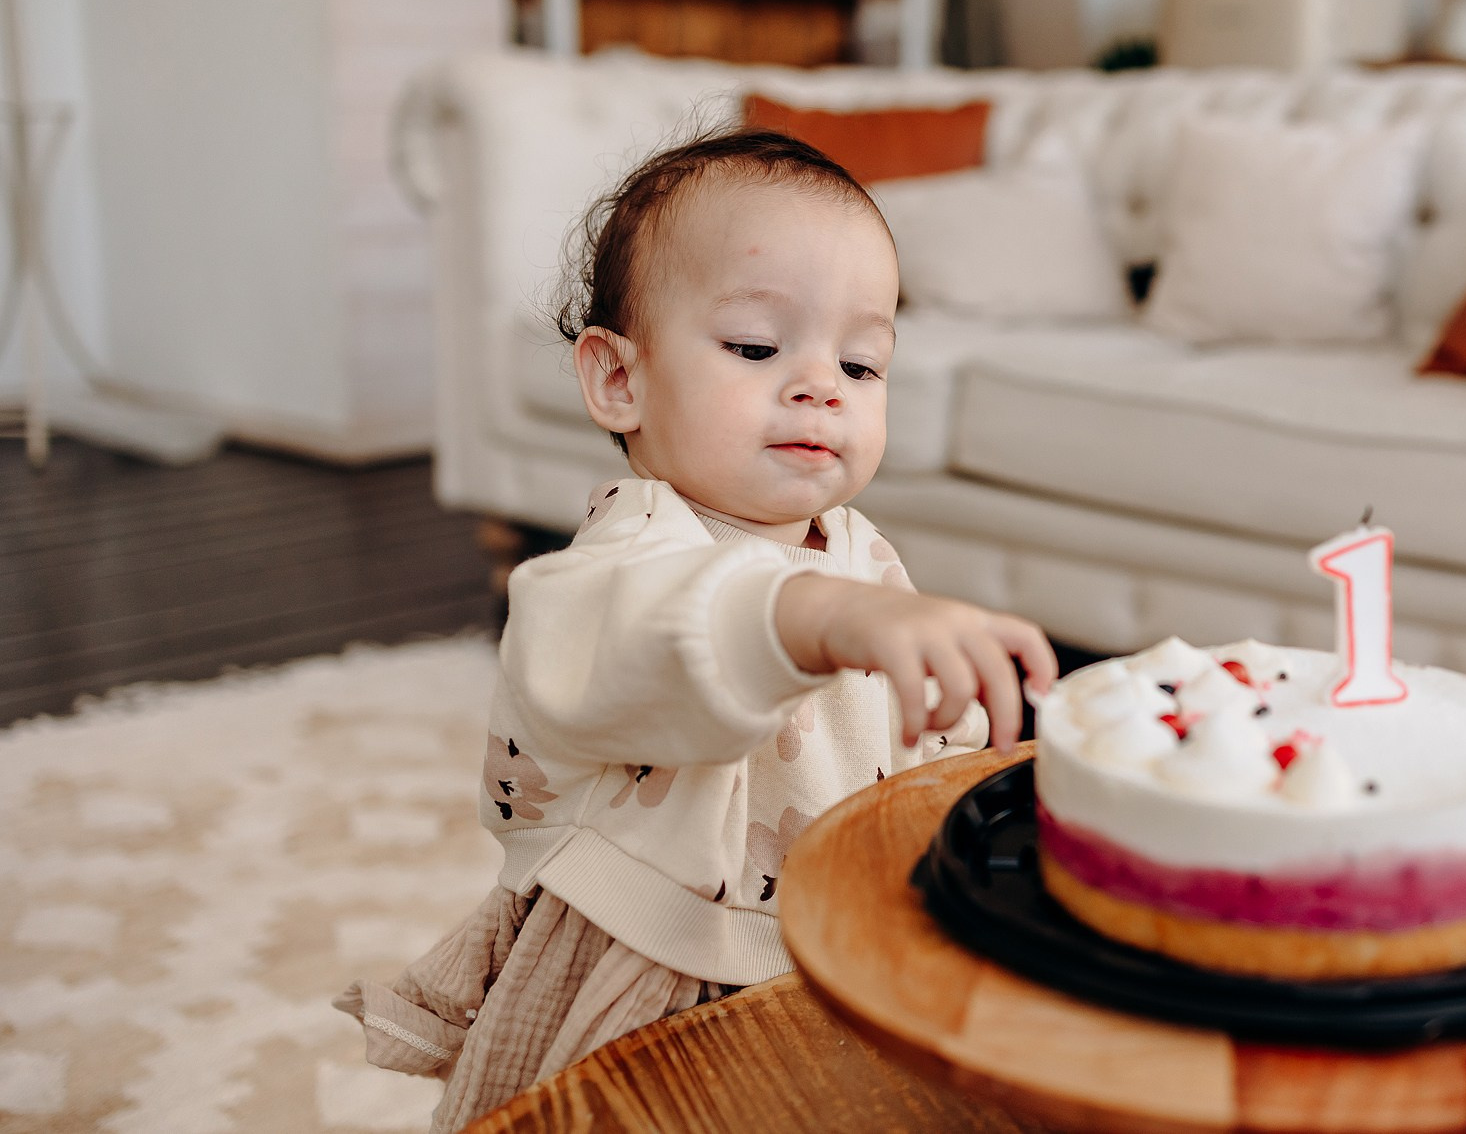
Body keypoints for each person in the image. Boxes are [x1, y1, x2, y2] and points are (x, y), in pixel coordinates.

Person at [334, 129, 1057, 1132]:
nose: (822, 385)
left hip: (835, 945)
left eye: (862, 361)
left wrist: (974, 744)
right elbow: (646, 639)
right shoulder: (622, 554)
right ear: (619, 381)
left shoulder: (859, 551)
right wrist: (826, 614)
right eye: (759, 348)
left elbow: (908, 748)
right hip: (652, 964)